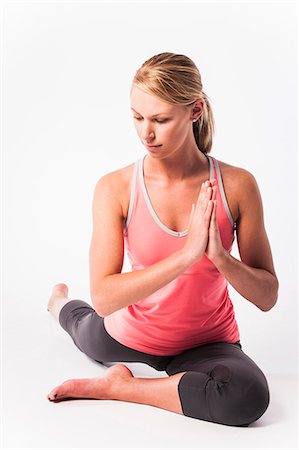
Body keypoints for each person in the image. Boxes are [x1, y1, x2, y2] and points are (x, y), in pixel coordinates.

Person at [47, 52, 279, 427]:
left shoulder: (237, 186)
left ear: (195, 110)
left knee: (248, 396)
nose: (146, 133)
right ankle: (57, 302)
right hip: (128, 333)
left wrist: (220, 257)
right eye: (137, 118)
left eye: (160, 119)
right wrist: (186, 256)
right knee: (80, 324)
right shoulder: (115, 188)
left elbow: (267, 296)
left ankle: (120, 387)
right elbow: (104, 298)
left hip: (207, 342)